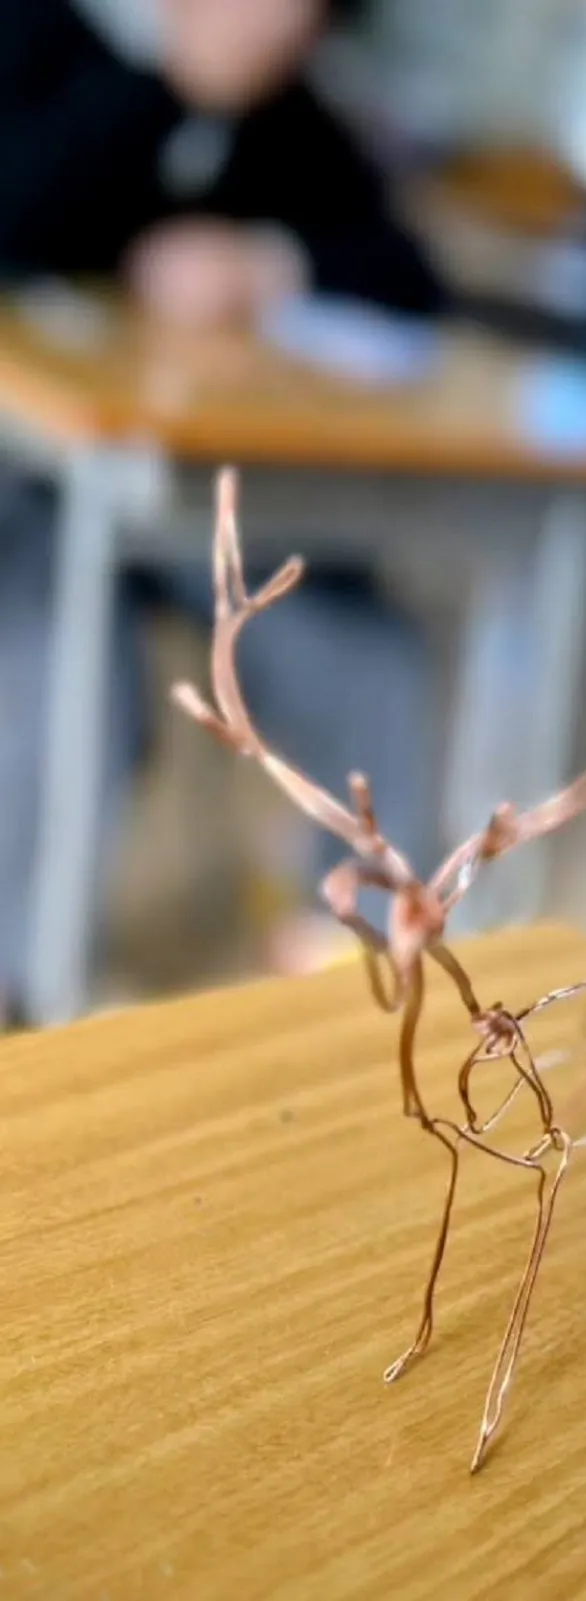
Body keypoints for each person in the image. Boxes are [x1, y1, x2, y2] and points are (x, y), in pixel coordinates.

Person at [0, 0, 445, 1023]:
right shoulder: (41, 43)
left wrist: (266, 264)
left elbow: (412, 277)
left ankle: (355, 964)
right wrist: (170, 89)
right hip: (31, 477)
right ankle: (21, 975)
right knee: (61, 658)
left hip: (199, 502)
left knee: (371, 653)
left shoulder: (299, 125)